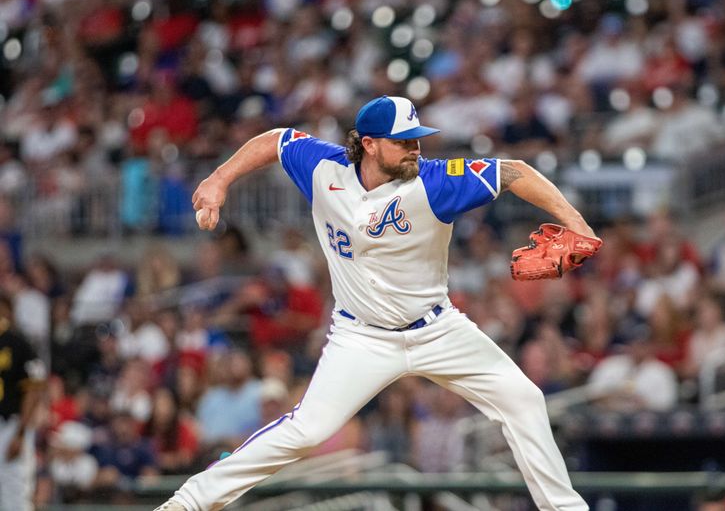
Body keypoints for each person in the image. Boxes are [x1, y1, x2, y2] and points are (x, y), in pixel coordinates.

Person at [156, 95, 597, 511]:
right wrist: (219, 178)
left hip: (438, 330)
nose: (415, 148)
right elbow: (278, 139)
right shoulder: (324, 169)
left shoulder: (435, 181)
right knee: (307, 431)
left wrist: (577, 224)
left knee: (523, 399)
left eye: (417, 138)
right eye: (403, 140)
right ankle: (190, 502)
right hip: (360, 337)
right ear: (367, 144)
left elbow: (513, 171)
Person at [0, 295, 47, 511]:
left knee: (15, 492)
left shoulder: (18, 343)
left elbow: (34, 389)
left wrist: (20, 433)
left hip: (10, 425)